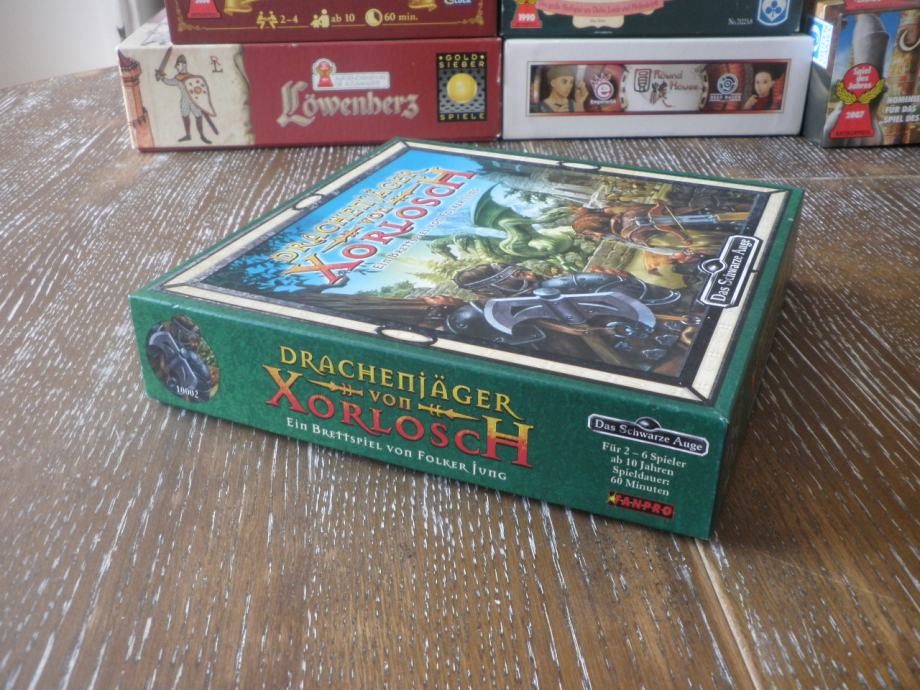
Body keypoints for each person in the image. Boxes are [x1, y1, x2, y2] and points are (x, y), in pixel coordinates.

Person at [156, 54, 219, 144]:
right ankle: (188, 135)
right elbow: (169, 82)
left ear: (184, 65)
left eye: (178, 65)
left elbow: (199, 90)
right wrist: (162, 78)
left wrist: (201, 102)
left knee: (198, 117)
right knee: (185, 117)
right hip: (185, 101)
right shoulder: (177, 78)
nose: (176, 67)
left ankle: (202, 136)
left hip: (194, 101)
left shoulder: (192, 77)